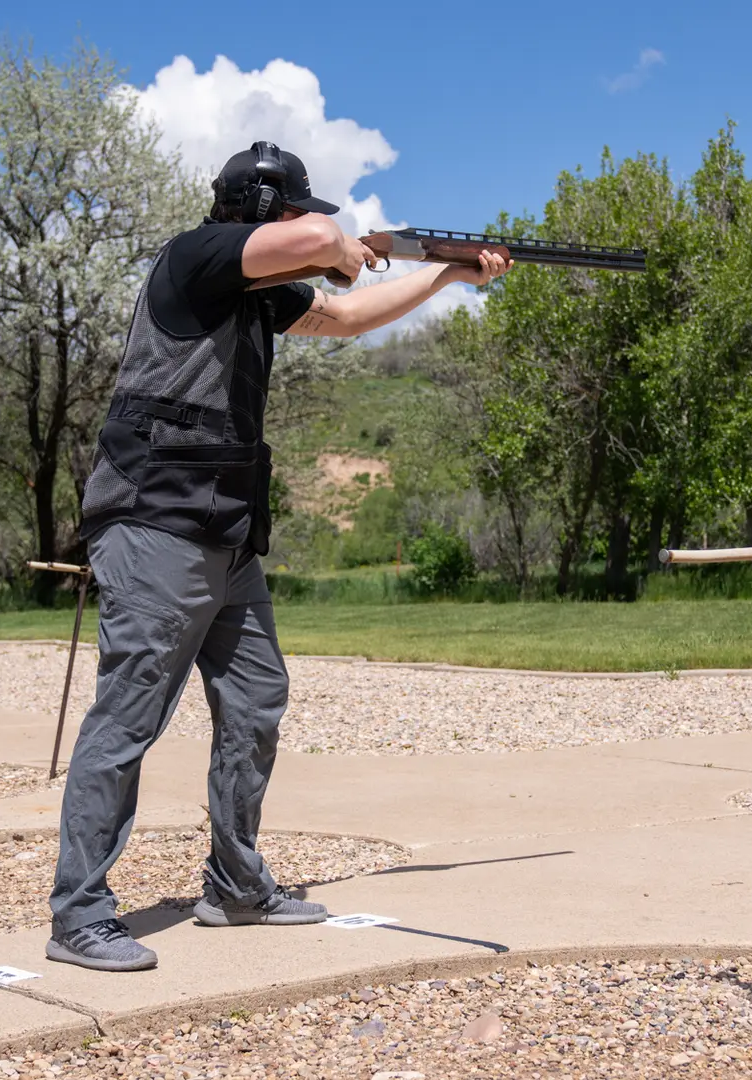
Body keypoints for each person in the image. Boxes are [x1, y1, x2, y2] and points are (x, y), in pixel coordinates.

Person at [46, 141, 511, 971]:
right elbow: (318, 247)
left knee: (258, 698)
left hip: (223, 529)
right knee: (128, 717)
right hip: (156, 520)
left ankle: (235, 883)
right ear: (269, 213)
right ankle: (79, 913)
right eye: (299, 208)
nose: (311, 222)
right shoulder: (199, 256)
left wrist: (444, 274)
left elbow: (346, 315)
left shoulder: (257, 294)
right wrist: (347, 244)